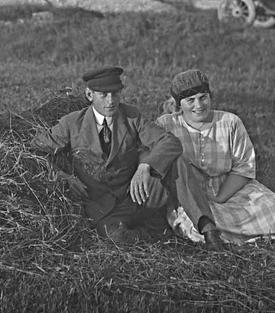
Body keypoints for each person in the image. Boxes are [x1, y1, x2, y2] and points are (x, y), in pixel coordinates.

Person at [157, 69, 275, 249]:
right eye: (190, 100)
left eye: (203, 97)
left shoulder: (230, 122)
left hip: (231, 189)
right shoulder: (167, 124)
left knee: (274, 211)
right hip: (190, 193)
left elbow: (243, 167)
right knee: (197, 226)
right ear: (179, 104)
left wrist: (220, 197)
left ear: (210, 96)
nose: (199, 105)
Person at [32, 66, 183, 245]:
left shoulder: (132, 116)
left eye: (115, 94)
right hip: (102, 207)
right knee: (116, 237)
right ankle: (152, 232)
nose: (110, 101)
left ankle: (192, 223)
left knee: (177, 164)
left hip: (137, 196)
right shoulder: (72, 123)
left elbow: (169, 142)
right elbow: (36, 150)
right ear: (89, 95)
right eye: (103, 95)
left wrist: (145, 167)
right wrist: (62, 176)